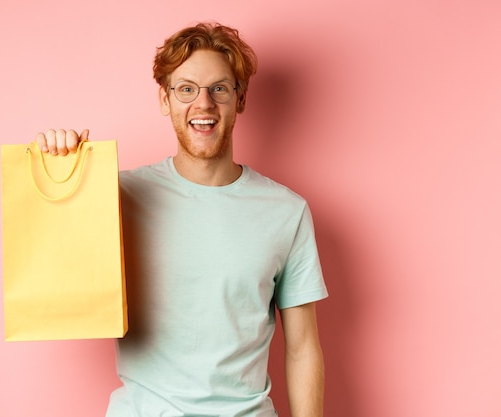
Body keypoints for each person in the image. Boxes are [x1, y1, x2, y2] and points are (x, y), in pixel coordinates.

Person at [36, 22, 328, 417]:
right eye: (186, 89)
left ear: (239, 100)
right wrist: (63, 174)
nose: (203, 104)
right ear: (165, 99)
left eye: (219, 89)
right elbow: (55, 278)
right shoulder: (117, 197)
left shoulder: (286, 212)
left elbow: (303, 347)